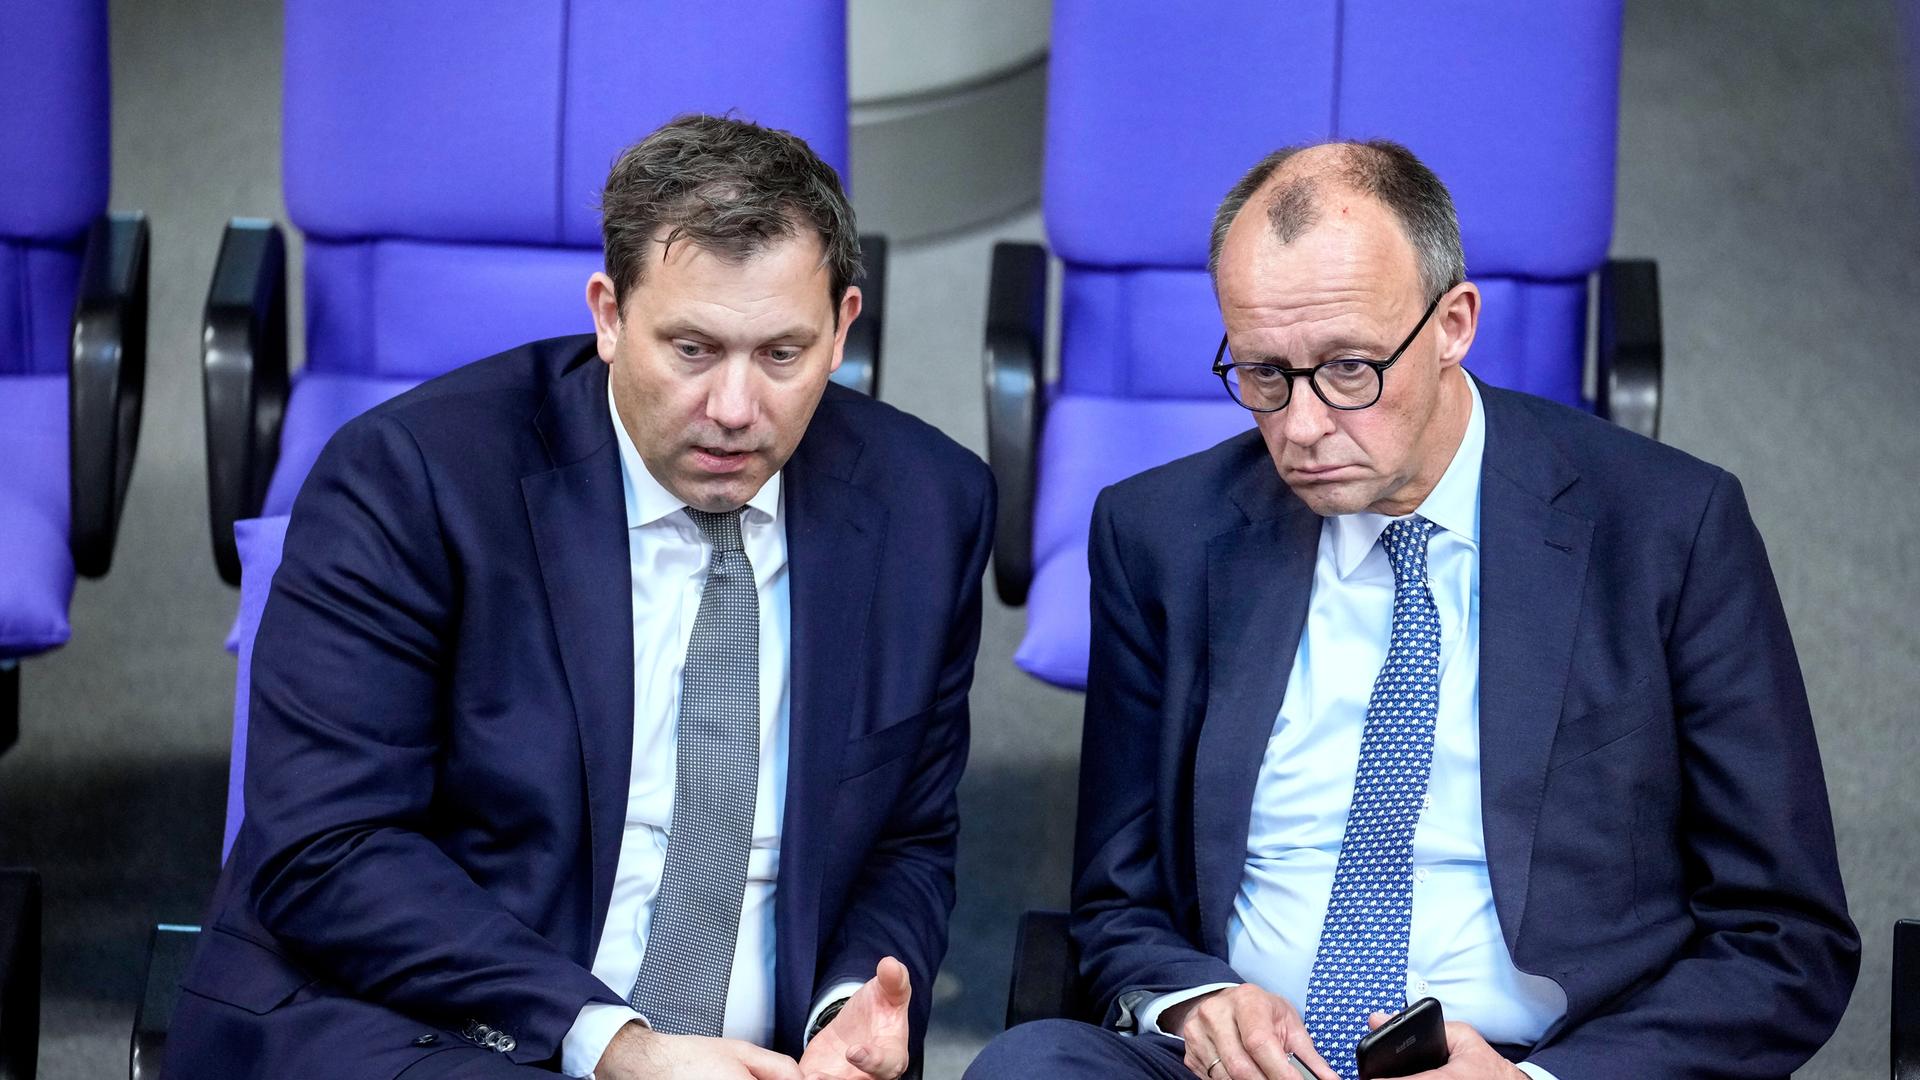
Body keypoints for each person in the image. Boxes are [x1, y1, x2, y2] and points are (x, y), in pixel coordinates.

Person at [966, 140, 1857, 1080]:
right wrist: (1196, 1002)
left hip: (1541, 1061)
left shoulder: (1667, 529)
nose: (1302, 427)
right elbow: (1119, 902)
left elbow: (1786, 939)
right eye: (1264, 375)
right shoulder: (1160, 535)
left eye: (1350, 369)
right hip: (1251, 1066)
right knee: (1030, 1066)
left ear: (1454, 324)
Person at [168, 115, 993, 1079]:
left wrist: (848, 1005)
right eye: (691, 349)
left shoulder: (927, 508)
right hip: (422, 1026)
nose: (735, 408)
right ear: (609, 315)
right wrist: (614, 1045)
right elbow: (328, 848)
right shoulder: (413, 480)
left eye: (781, 355)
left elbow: (906, 836)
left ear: (845, 327)